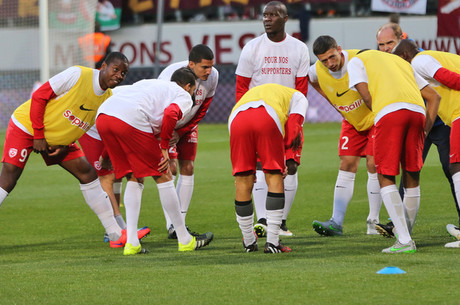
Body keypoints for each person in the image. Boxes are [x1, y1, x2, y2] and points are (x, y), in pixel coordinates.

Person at [0, 52, 149, 248]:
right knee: (9, 177)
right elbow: (39, 96)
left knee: (88, 174)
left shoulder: (108, 98)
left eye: (123, 73)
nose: (119, 76)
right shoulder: (77, 74)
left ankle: (115, 235)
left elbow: (82, 126)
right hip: (26, 125)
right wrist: (38, 135)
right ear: (103, 66)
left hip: (56, 141)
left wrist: (62, 146)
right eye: (116, 69)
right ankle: (116, 233)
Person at [96, 67, 214, 255]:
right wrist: (165, 148)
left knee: (134, 177)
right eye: (193, 90)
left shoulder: (149, 85)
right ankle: (185, 239)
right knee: (164, 175)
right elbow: (170, 114)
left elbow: (117, 112)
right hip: (129, 118)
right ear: (188, 86)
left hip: (103, 117)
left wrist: (104, 154)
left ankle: (132, 243)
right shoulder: (182, 95)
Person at [347, 49, 440, 253]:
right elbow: (434, 97)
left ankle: (404, 240)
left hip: (389, 112)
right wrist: (425, 129)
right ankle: (405, 234)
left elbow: (367, 97)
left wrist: (380, 113)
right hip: (417, 112)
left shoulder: (356, 61)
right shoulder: (401, 63)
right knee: (412, 174)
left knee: (385, 175)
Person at [375, 23, 458, 238]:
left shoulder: (417, 60)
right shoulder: (397, 62)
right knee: (410, 171)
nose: (385, 49)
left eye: (390, 43)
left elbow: (440, 87)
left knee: (453, 170)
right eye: (381, 45)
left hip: (438, 123)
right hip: (417, 122)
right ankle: (397, 225)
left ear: (402, 39)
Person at [235, 1, 310, 237]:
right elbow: (241, 89)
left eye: (273, 15)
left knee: (291, 166)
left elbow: (301, 89)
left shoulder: (298, 48)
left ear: (285, 19)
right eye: (265, 15)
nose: (267, 19)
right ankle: (264, 219)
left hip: (288, 116)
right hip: (260, 118)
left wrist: (295, 120)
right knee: (259, 167)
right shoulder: (252, 47)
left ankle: (281, 221)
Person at [308, 36, 382, 236]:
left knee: (373, 164)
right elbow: (313, 81)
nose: (330, 64)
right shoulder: (315, 70)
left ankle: (373, 222)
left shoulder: (360, 60)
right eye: (324, 60)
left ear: (339, 49)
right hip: (352, 121)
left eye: (332, 57)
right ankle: (336, 222)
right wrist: (331, 99)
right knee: (346, 164)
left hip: (375, 119)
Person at [393, 40, 460, 248]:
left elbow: (449, 78)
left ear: (404, 56)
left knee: (456, 166)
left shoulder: (420, 61)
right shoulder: (438, 56)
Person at [229, 83, 308, 253]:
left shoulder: (261, 92)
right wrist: (282, 161)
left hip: (235, 118)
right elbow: (294, 129)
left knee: (243, 178)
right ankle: (272, 242)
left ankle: (249, 242)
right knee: (274, 176)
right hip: (267, 115)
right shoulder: (298, 97)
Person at [157, 44, 219, 239]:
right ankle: (172, 225)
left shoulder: (214, 76)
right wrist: (169, 135)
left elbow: (203, 108)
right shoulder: (169, 76)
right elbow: (160, 111)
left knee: (189, 168)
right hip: (166, 125)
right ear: (191, 64)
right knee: (170, 169)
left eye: (211, 66)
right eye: (204, 68)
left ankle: (179, 225)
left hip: (187, 125)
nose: (209, 72)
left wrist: (183, 130)